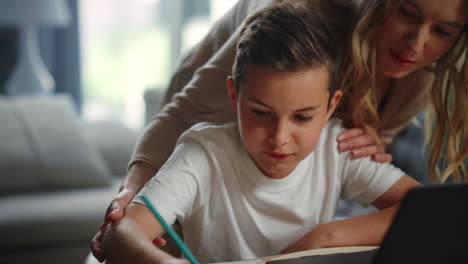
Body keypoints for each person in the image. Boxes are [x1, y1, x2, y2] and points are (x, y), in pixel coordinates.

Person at [91, 0, 468, 261]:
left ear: (331, 105)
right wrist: (129, 196)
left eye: (443, 31)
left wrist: (325, 237)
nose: (417, 44)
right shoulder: (202, 152)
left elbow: (420, 211)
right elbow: (180, 117)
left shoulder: (409, 82)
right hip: (206, 118)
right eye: (406, 12)